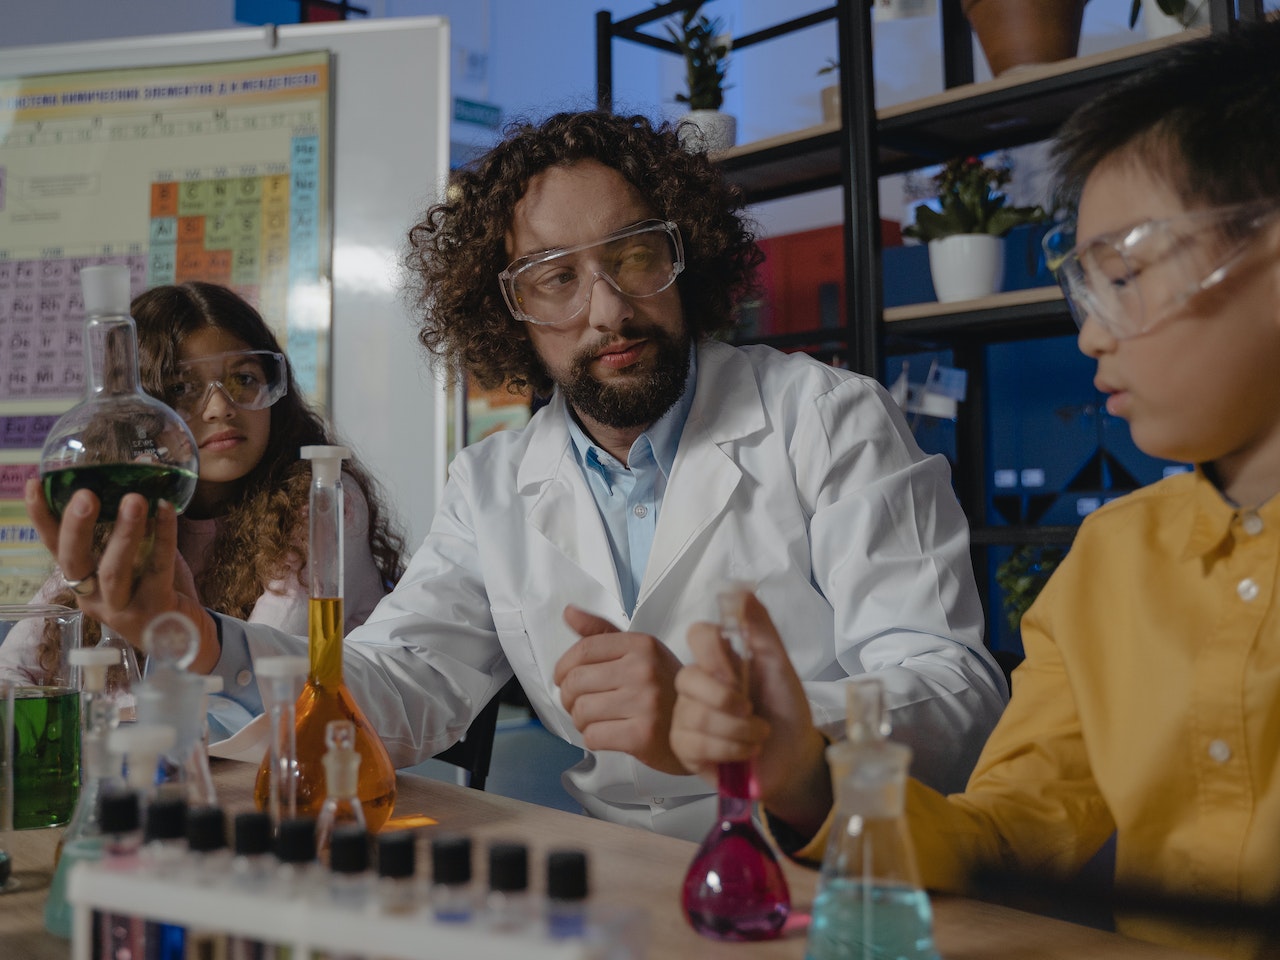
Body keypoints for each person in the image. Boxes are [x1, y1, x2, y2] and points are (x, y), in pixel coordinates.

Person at [26, 112, 1006, 840]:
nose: (606, 308)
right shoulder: (493, 482)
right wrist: (199, 637)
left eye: (633, 256)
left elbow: (954, 692)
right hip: (620, 869)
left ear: (686, 259)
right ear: (507, 313)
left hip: (832, 857)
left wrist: (756, 728)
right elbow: (403, 686)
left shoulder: (827, 420)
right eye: (554, 278)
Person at [669, 20, 1280, 956]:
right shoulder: (1113, 563)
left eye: (1123, 275)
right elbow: (1006, 835)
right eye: (1085, 288)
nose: (1089, 336)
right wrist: (808, 778)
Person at [3, 282, 405, 707]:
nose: (220, 408)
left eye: (244, 379)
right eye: (181, 388)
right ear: (134, 416)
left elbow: (256, 678)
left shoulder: (321, 501)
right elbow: (12, 668)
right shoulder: (127, 512)